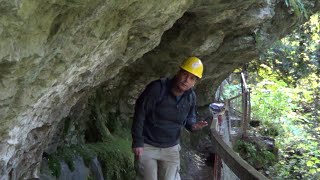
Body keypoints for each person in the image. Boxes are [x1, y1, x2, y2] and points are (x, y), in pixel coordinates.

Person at [131, 57, 208, 180]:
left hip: (171, 148)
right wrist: (138, 142)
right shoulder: (157, 88)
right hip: (148, 145)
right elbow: (140, 114)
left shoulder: (190, 97)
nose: (186, 80)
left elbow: (190, 118)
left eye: (192, 78)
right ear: (178, 72)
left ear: (195, 82)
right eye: (185, 74)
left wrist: (193, 126)